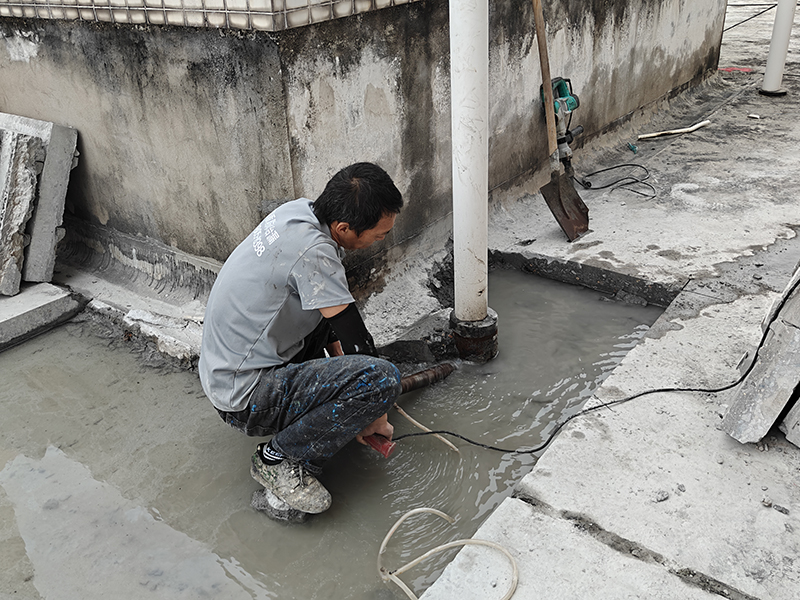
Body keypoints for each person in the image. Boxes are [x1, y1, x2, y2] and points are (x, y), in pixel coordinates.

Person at [199, 162, 403, 519]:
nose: (382, 239)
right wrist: (375, 409)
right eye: (380, 234)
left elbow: (331, 322)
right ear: (344, 228)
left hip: (229, 367)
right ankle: (277, 459)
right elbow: (357, 340)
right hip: (245, 394)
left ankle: (330, 408)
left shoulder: (299, 213)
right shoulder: (314, 253)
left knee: (360, 367)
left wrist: (349, 375)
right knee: (382, 379)